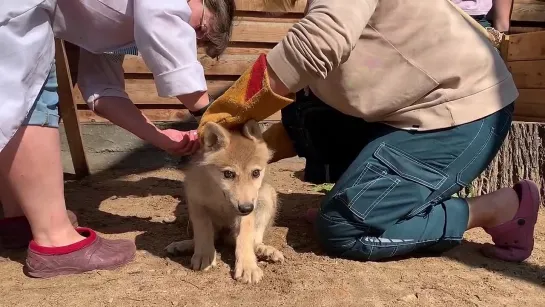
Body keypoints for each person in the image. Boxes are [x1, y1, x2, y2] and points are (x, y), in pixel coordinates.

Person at [194, 0, 540, 263]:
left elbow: (316, 45)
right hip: (413, 105)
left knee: (344, 230)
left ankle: (498, 208)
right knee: (306, 105)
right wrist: (239, 154)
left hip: (461, 115)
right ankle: (363, 196)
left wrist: (224, 113)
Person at [0, 0, 234, 278]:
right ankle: (56, 241)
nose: (191, 37)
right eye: (200, 28)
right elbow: (160, 14)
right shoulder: (162, 7)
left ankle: (18, 219)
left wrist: (159, 138)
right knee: (32, 94)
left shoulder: (114, 28)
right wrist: (206, 113)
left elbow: (102, 91)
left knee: (20, 99)